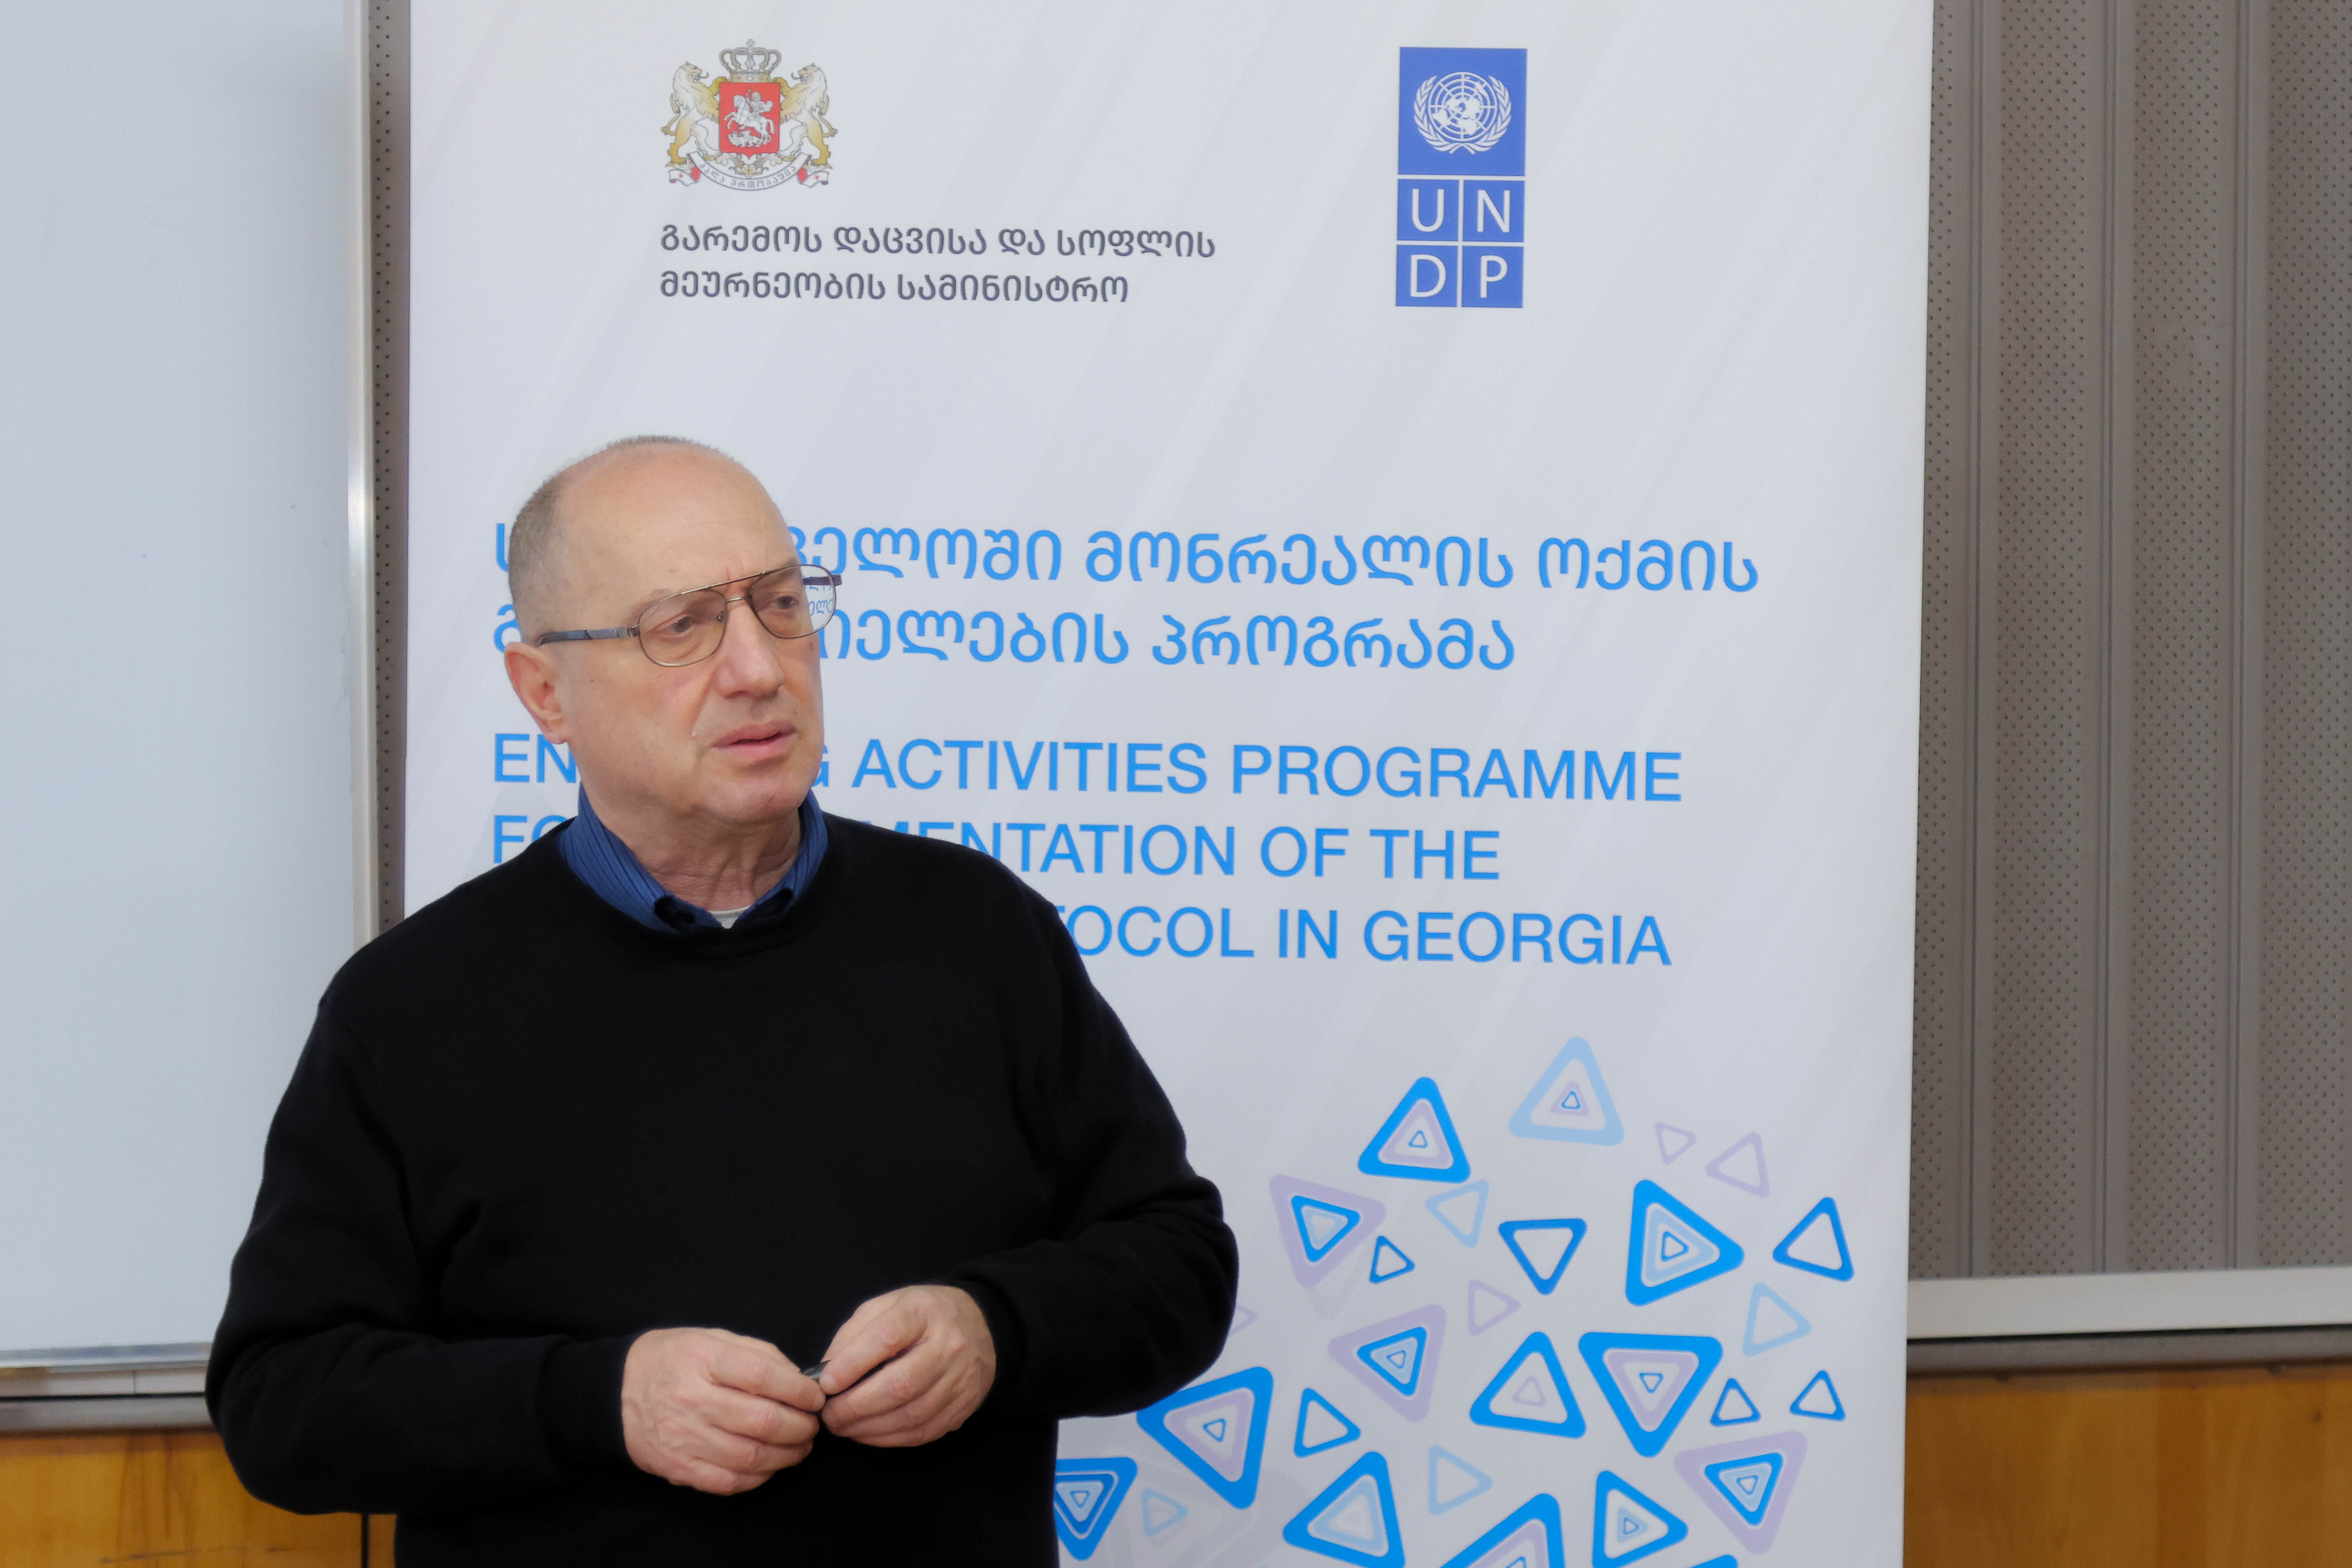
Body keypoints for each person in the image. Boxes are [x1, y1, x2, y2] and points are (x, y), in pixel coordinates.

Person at [207, 436, 1238, 1563]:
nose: (757, 666)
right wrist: (599, 1401)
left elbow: (1178, 1261)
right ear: (545, 691)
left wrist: (997, 1329)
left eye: (781, 604)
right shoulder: (410, 1007)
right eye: (682, 625)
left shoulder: (981, 931)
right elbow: (283, 1399)